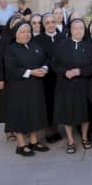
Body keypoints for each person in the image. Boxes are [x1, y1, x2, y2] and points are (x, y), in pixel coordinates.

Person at [52, 18, 92, 154]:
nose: (78, 31)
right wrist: (65, 72)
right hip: (66, 85)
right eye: (75, 28)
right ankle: (70, 140)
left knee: (85, 112)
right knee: (68, 113)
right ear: (71, 30)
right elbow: (54, 64)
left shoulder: (89, 46)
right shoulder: (62, 45)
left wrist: (80, 71)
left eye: (81, 28)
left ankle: (84, 137)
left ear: (84, 30)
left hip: (84, 85)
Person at [4, 22, 49, 156]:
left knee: (34, 113)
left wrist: (45, 68)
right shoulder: (11, 49)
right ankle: (21, 144)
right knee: (20, 115)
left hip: (35, 87)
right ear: (16, 34)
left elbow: (45, 59)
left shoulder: (35, 45)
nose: (26, 34)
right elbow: (11, 69)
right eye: (23, 32)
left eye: (28, 31)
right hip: (18, 88)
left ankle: (33, 141)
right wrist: (31, 72)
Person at [32, 13, 65, 143]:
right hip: (45, 78)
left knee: (58, 103)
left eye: (53, 22)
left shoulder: (63, 37)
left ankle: (56, 128)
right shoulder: (37, 39)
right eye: (47, 23)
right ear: (43, 25)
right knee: (48, 104)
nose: (51, 25)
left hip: (60, 77)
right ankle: (49, 131)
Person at [0, 15, 22, 141]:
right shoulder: (4, 40)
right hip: (6, 78)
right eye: (14, 23)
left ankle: (21, 128)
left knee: (19, 104)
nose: (17, 26)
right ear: (10, 25)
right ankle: (9, 130)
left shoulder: (23, 38)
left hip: (19, 77)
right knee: (7, 104)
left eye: (19, 23)